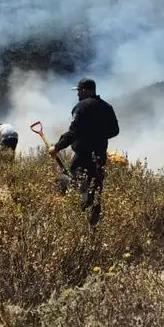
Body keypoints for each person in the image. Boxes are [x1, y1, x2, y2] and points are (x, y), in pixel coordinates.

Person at [49, 77, 120, 226]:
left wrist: (57, 147)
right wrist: (98, 135)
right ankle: (91, 227)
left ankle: (71, 222)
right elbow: (115, 131)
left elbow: (73, 133)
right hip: (100, 158)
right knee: (95, 193)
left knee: (72, 184)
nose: (77, 95)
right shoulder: (107, 107)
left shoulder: (82, 107)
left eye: (79, 91)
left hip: (83, 158)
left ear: (85, 90)